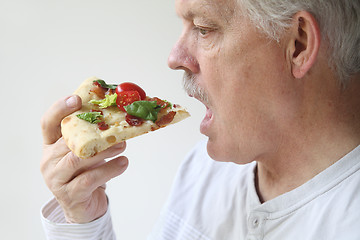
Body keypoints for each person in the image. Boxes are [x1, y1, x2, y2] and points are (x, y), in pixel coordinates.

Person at [40, 0, 360, 239]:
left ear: (299, 45)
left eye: (204, 28)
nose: (175, 58)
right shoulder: (203, 171)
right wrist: (83, 221)